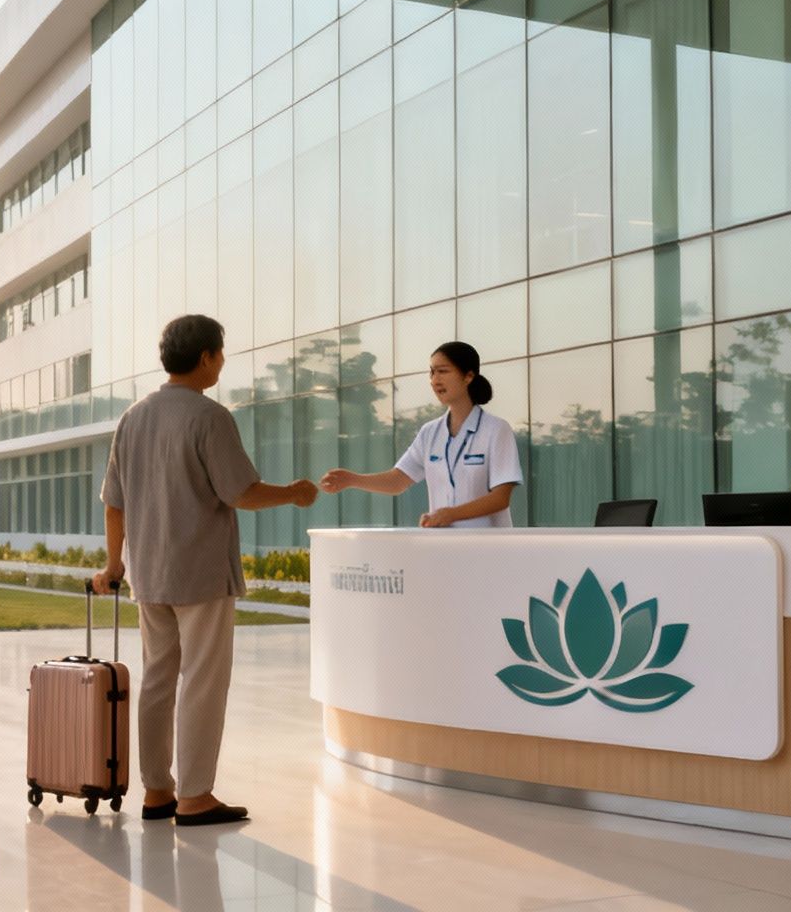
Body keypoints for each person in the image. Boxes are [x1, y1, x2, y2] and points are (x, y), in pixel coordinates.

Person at [93, 314, 318, 827]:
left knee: (157, 680)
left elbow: (114, 504)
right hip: (200, 573)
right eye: (221, 352)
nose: (222, 361)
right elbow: (241, 492)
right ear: (205, 358)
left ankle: (156, 791)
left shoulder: (133, 417)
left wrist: (114, 562)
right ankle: (195, 796)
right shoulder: (209, 417)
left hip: (148, 575)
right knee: (202, 682)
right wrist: (295, 493)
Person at [319, 341, 522, 527]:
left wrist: (450, 514)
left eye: (443, 371)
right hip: (441, 547)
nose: (435, 380)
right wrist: (352, 479)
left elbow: (500, 498)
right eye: (432, 373)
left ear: (468, 376)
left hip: (489, 550)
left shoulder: (496, 429)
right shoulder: (430, 433)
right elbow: (397, 481)